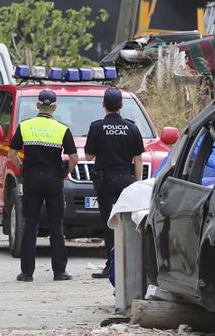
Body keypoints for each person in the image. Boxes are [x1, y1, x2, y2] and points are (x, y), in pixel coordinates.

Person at [10, 87, 78, 282]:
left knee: (30, 224)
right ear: (54, 108)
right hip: (53, 179)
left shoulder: (25, 126)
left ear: (37, 105)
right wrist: (64, 172)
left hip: (31, 178)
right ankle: (59, 271)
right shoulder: (62, 129)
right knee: (56, 225)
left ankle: (27, 273)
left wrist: (23, 169)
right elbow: (74, 158)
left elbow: (12, 154)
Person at [83, 87, 145, 284]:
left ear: (104, 105)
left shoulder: (96, 127)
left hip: (105, 182)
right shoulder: (132, 128)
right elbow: (138, 159)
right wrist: (137, 183)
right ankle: (130, 263)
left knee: (110, 224)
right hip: (126, 181)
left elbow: (88, 156)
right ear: (121, 105)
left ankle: (111, 266)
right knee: (128, 222)